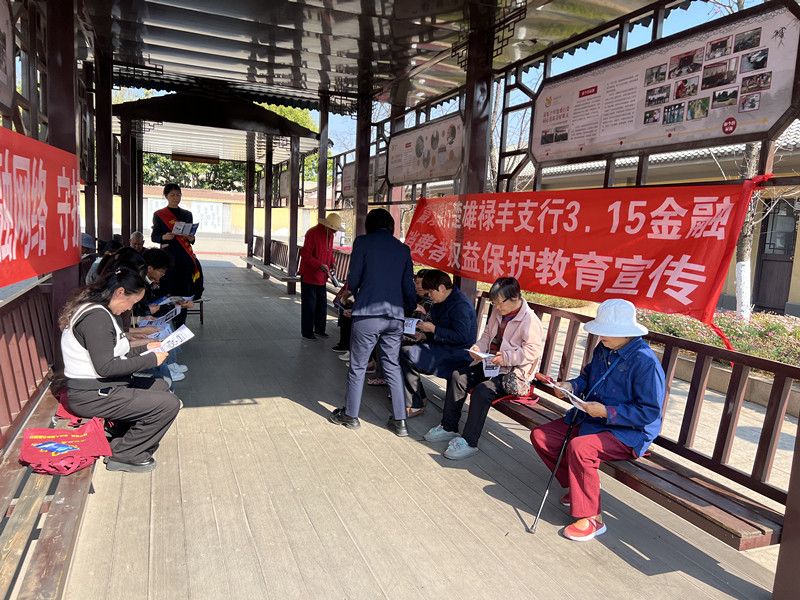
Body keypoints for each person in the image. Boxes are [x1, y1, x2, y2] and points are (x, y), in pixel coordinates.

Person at [530, 299, 665, 541]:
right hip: (593, 418)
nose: (600, 336)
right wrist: (571, 386)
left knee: (580, 448)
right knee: (541, 436)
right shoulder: (604, 348)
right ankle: (579, 488)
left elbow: (648, 412)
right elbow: (587, 377)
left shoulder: (645, 361)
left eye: (606, 332)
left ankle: (592, 518)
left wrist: (607, 412)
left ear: (625, 332)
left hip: (629, 431)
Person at [60, 267, 181, 473]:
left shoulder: (101, 311)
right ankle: (125, 454)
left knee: (160, 386)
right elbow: (106, 367)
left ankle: (123, 437)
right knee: (169, 404)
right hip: (91, 395)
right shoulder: (96, 319)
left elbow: (116, 352)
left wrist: (146, 347)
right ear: (120, 292)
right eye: (132, 302)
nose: (130, 308)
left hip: (103, 387)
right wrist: (151, 359)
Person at [424, 277, 544, 459]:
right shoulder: (498, 312)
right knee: (458, 376)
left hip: (513, 372)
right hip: (491, 363)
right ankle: (449, 426)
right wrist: (478, 347)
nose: (497, 307)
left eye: (500, 303)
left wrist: (506, 358)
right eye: (494, 303)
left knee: (483, 391)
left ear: (514, 297)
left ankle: (469, 441)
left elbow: (532, 351)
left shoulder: (530, 320)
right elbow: (487, 335)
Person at [329, 208, 417, 437]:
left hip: (368, 314)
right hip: (394, 318)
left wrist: (356, 294)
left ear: (369, 225)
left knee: (358, 366)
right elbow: (409, 288)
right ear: (391, 227)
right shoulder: (403, 249)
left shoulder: (363, 243)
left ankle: (350, 415)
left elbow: (354, 279)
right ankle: (400, 421)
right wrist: (406, 311)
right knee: (392, 365)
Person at [399, 269, 476, 418]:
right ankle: (418, 398)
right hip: (442, 346)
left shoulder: (460, 305)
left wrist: (433, 329)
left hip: (458, 353)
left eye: (430, 292)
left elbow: (461, 337)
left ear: (441, 288)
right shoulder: (441, 300)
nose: (429, 295)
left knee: (407, 353)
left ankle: (416, 404)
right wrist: (424, 334)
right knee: (403, 349)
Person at [151, 183, 204, 325]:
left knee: (184, 292)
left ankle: (181, 323)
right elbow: (154, 237)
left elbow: (191, 236)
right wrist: (164, 237)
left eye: (178, 195)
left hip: (185, 258)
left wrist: (191, 238)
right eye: (172, 195)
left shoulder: (187, 214)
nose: (176, 198)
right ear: (166, 196)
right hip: (168, 259)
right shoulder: (159, 214)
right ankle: (165, 322)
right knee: (167, 291)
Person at [298, 212, 344, 340]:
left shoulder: (330, 235)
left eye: (336, 229)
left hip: (322, 277)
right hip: (309, 276)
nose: (335, 231)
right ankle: (307, 332)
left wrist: (332, 262)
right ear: (327, 226)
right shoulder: (312, 233)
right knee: (309, 305)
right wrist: (319, 265)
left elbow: (329, 252)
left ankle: (320, 329)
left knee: (322, 305)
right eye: (333, 229)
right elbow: (305, 254)